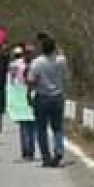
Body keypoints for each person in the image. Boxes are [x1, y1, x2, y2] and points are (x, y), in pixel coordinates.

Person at [28, 36, 68, 168]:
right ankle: (59, 151)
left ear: (42, 48)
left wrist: (29, 93)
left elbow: (31, 80)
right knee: (57, 127)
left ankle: (46, 157)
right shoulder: (61, 60)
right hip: (57, 97)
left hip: (42, 97)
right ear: (54, 48)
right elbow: (65, 74)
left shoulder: (37, 62)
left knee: (41, 129)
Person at [10, 45, 37, 161]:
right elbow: (11, 81)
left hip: (33, 95)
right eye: (27, 52)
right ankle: (26, 152)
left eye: (31, 53)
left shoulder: (36, 64)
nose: (29, 55)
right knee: (24, 126)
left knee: (31, 125)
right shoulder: (16, 64)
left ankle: (30, 151)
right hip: (20, 96)